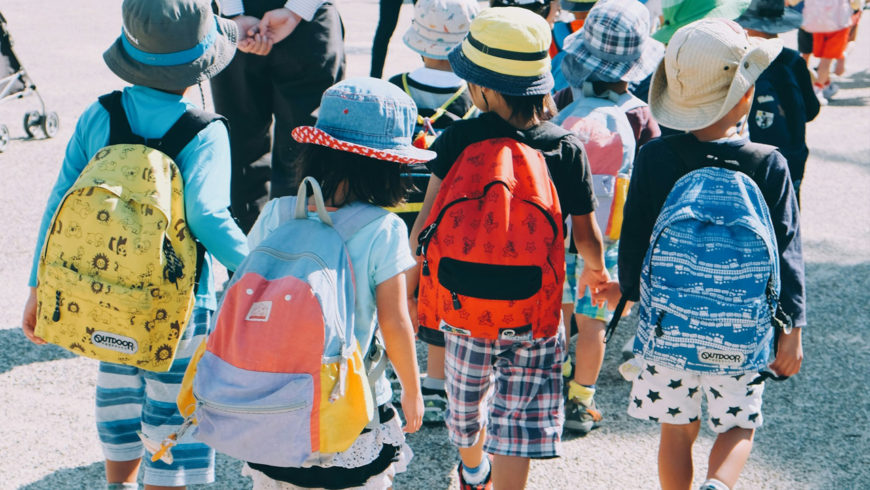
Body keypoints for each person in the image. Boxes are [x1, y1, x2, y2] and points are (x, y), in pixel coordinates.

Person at [19, 0, 249, 488]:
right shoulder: (205, 132)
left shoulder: (99, 114)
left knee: (119, 396)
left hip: (102, 294)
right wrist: (257, 266)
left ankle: (118, 483)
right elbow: (208, 216)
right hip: (181, 306)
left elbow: (59, 202)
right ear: (201, 64)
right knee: (173, 414)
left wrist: (40, 286)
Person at [409, 7, 609, 489]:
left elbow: (424, 228)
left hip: (463, 310)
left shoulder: (456, 138)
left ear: (481, 88)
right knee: (517, 425)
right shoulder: (564, 148)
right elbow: (586, 234)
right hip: (534, 313)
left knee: (465, 408)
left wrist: (415, 284)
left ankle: (474, 469)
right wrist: (595, 272)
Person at [618, 18, 805, 490]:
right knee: (739, 425)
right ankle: (718, 486)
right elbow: (787, 253)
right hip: (741, 334)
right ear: (744, 95)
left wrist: (631, 295)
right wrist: (791, 331)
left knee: (676, 433)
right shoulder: (769, 163)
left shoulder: (656, 156)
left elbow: (635, 239)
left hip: (669, 329)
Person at [240, 77, 426, 489]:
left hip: (273, 395)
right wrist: (413, 391)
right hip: (348, 401)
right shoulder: (384, 229)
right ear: (387, 165)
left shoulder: (278, 213)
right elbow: (395, 322)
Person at [552, 0, 663, 435]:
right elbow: (647, 176)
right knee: (593, 321)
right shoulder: (639, 114)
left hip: (558, 233)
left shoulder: (563, 99)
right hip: (606, 239)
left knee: (557, 314)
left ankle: (550, 383)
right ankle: (581, 401)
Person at [385, 0, 479, 424]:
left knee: (393, 291)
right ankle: (437, 384)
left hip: (394, 206)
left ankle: (387, 373)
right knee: (439, 295)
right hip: (445, 212)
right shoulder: (473, 95)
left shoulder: (395, 86)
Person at [210, 0, 346, 233]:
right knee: (305, 154)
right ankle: (293, 257)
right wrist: (296, 11)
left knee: (244, 152)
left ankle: (248, 261)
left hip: (245, 18)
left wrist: (234, 13)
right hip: (307, 20)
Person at [736, 0, 821, 203]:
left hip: (753, 158)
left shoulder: (745, 63)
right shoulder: (794, 60)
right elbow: (811, 110)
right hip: (792, 156)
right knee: (788, 213)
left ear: (748, 26)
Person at [800, 0, 853, 103]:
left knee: (824, 57)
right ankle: (818, 90)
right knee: (826, 60)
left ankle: (826, 84)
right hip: (838, 22)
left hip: (817, 20)